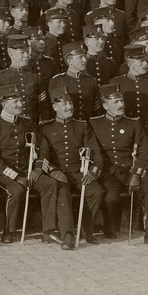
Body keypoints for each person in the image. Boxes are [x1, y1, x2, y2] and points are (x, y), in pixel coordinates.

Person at [89, 83, 148, 246]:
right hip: (108, 173)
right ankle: (108, 225)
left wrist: (136, 174)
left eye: (122, 101)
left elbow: (144, 152)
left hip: (130, 172)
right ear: (105, 105)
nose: (121, 105)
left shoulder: (134, 124)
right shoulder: (94, 124)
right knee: (110, 197)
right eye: (116, 102)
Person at [0, 83, 59, 244]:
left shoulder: (27, 122)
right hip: (2, 174)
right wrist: (16, 176)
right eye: (15, 101)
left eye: (21, 100)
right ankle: (9, 230)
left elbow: (42, 146)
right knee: (16, 190)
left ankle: (48, 230)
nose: (20, 104)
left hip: (28, 171)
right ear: (4, 104)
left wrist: (38, 168)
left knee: (49, 184)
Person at [38, 83, 104, 248]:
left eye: (70, 103)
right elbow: (42, 157)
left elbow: (95, 153)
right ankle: (67, 234)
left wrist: (93, 173)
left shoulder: (82, 126)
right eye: (64, 104)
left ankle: (85, 229)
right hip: (59, 174)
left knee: (96, 191)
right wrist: (52, 171)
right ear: (54, 106)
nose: (69, 107)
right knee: (63, 192)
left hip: (79, 173)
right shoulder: (45, 128)